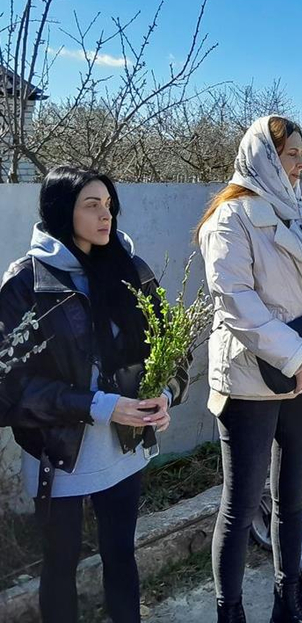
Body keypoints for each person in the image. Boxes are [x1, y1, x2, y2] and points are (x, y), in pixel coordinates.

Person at [0, 167, 187, 623]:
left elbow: (171, 345)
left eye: (109, 205)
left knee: (121, 555)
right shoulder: (27, 283)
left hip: (124, 447)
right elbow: (10, 388)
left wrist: (163, 392)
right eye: (92, 205)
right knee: (60, 563)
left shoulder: (129, 268)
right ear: (63, 210)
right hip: (60, 454)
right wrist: (98, 405)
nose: (107, 216)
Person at [198, 115, 302, 623]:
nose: (300, 164)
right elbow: (236, 303)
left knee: (292, 497)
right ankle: (231, 614)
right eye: (292, 155)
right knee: (241, 505)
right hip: (252, 379)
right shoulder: (230, 219)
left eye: (300, 155)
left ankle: (288, 605)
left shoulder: (297, 213)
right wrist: (297, 355)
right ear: (265, 157)